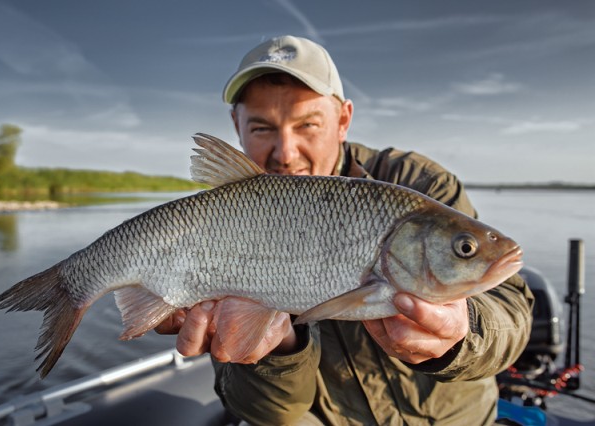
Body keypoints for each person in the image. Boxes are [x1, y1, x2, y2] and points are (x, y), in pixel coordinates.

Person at [156, 35, 534, 425]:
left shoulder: (417, 184)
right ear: (237, 125)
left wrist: (463, 332)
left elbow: (513, 312)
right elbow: (268, 414)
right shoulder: (218, 223)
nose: (285, 154)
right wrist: (275, 349)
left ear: (343, 121)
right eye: (262, 128)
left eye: (307, 125)